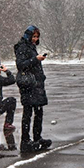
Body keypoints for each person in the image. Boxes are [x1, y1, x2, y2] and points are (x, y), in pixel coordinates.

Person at [14, 25, 51, 153]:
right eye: (34, 36)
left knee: (38, 112)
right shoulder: (22, 47)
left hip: (36, 84)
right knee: (28, 113)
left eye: (37, 37)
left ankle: (37, 138)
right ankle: (25, 140)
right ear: (28, 36)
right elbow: (20, 65)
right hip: (29, 85)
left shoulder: (31, 47)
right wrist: (35, 59)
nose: (35, 39)